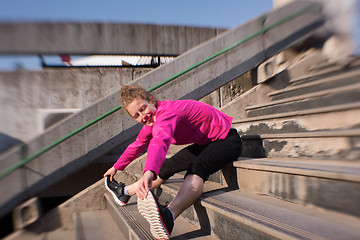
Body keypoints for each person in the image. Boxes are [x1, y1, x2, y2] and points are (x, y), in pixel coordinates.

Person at [103, 84, 242, 239]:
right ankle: (124, 192)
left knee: (197, 168)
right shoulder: (152, 121)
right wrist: (116, 167)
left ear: (151, 101)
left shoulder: (167, 112)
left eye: (143, 109)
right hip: (206, 144)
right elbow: (138, 144)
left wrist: (148, 172)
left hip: (227, 140)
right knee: (167, 166)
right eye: (136, 115)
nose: (142, 116)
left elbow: (160, 142)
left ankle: (169, 216)